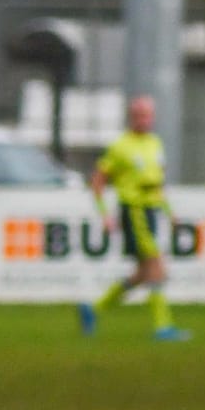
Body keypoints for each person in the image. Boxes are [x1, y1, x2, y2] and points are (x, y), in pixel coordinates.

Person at [78, 93, 188, 341]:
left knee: (142, 273)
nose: (144, 120)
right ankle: (163, 327)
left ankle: (93, 309)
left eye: (148, 115)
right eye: (140, 115)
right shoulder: (120, 147)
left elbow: (158, 183)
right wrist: (105, 215)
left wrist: (170, 213)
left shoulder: (155, 144)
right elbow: (97, 181)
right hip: (134, 211)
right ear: (131, 117)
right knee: (156, 266)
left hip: (150, 210)